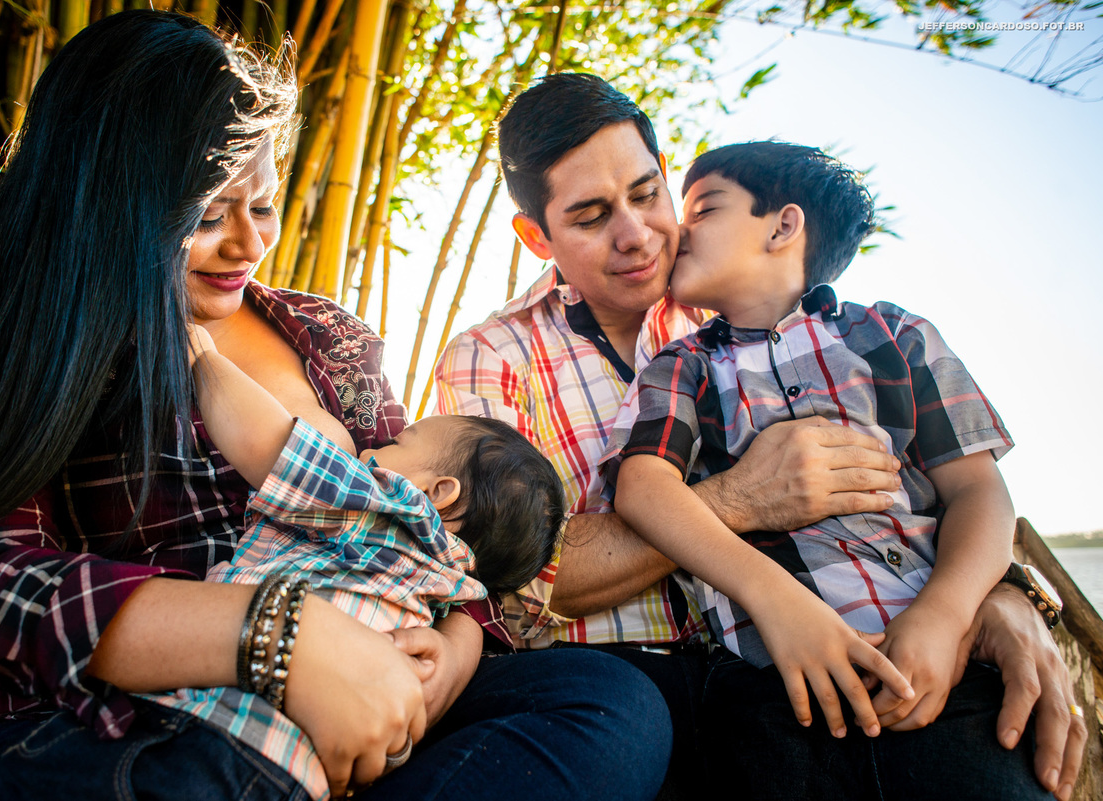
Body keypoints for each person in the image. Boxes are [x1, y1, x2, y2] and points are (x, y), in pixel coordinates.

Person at [0, 15, 671, 801]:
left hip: (362, 731)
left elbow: (437, 525)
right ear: (109, 204)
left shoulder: (327, 336)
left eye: (262, 207)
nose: (247, 243)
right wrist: (277, 640)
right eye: (206, 216)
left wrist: (444, 661)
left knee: (608, 703)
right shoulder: (26, 342)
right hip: (153, 731)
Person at [434, 72, 1086, 801]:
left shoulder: (768, 310)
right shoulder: (495, 357)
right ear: (536, 236)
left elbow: (947, 487)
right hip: (661, 680)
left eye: (649, 194)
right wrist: (743, 498)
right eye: (590, 217)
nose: (638, 233)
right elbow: (521, 572)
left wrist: (991, 598)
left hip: (882, 653)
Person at [604, 140, 1048, 798]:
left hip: (942, 673)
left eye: (703, 208)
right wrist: (776, 599)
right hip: (770, 693)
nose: (676, 229)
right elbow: (644, 487)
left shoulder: (895, 334)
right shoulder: (682, 366)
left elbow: (980, 491)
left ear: (783, 225)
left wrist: (947, 614)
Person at [143, 327, 564, 800]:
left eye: (398, 444)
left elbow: (266, 444)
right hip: (302, 772)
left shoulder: (390, 505)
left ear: (438, 493)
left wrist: (203, 359)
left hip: (221, 729)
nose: (369, 451)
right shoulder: (446, 586)